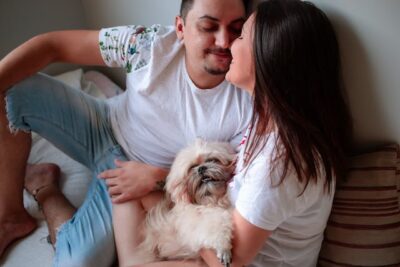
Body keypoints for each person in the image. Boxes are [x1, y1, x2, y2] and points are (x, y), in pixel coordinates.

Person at [0, 0, 253, 266]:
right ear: (180, 27)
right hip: (100, 124)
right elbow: (52, 46)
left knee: (77, 262)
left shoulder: (246, 99)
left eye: (236, 29)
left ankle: (45, 188)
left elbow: (233, 184)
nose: (224, 41)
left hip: (132, 175)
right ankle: (11, 214)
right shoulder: (148, 44)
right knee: (12, 87)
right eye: (208, 27)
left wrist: (158, 177)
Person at [116, 0, 353, 266]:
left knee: (131, 231)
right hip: (220, 235)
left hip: (230, 261)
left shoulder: (278, 164)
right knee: (123, 194)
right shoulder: (268, 122)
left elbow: (225, 263)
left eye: (240, 34)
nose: (228, 44)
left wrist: (181, 212)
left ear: (268, 56)